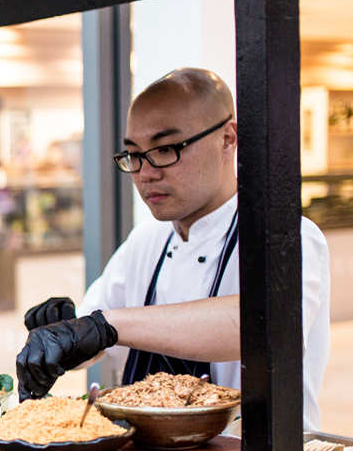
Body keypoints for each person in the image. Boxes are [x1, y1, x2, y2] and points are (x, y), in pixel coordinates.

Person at [17, 68, 330, 431]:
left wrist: (107, 324)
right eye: (134, 155)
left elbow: (263, 324)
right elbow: (97, 336)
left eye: (165, 149)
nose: (146, 173)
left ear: (227, 139)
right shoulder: (147, 241)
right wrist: (65, 332)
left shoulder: (287, 236)